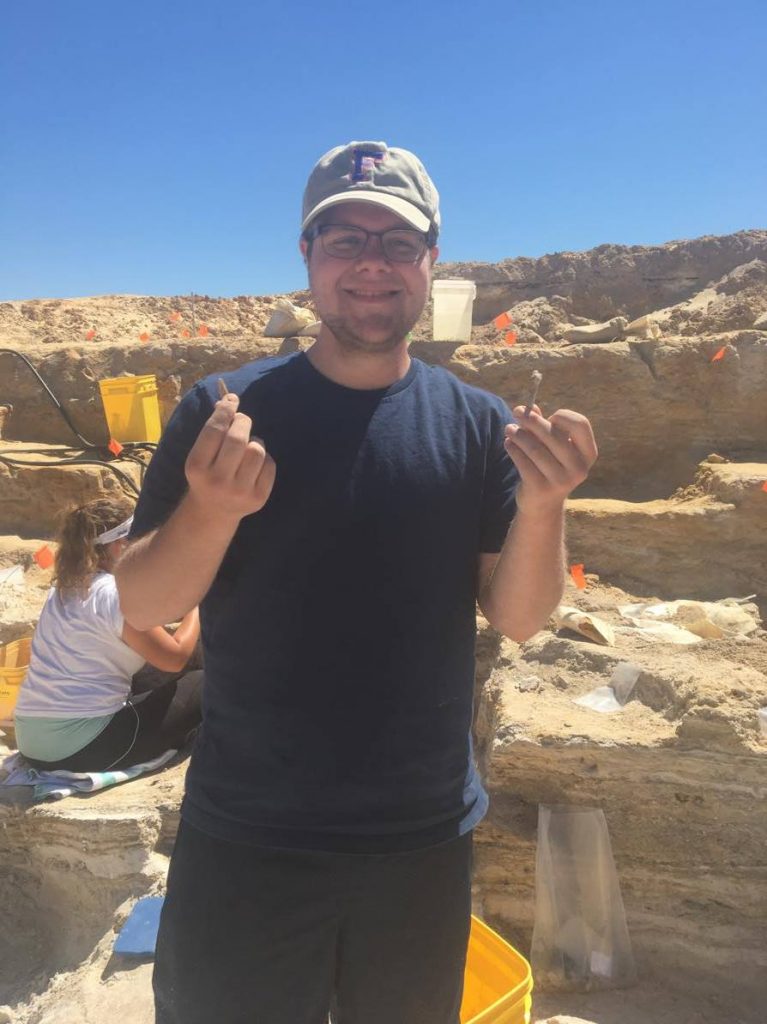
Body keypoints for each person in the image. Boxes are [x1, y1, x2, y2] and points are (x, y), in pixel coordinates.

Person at [116, 140, 598, 1024]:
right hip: (248, 832)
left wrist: (544, 502)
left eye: (397, 243)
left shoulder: (476, 424)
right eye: (343, 240)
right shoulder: (220, 409)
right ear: (306, 259)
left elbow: (520, 618)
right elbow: (145, 606)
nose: (371, 263)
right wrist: (212, 510)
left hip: (417, 838)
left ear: (430, 264)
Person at [14, 496, 202, 773]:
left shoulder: (63, 591)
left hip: (32, 744)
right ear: (118, 545)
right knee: (205, 682)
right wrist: (198, 606)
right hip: (80, 749)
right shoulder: (117, 594)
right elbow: (174, 658)